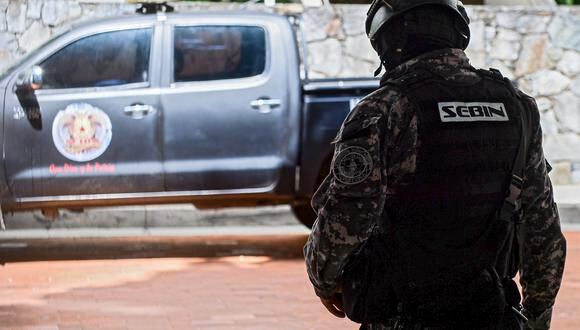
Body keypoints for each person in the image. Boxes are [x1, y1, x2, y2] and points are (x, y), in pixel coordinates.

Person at [303, 0, 567, 329]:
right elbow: (543, 229)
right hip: (491, 312)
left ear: (387, 42)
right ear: (457, 33)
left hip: (405, 316)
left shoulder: (384, 110)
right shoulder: (516, 107)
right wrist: (536, 319)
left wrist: (323, 280)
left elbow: (346, 218)